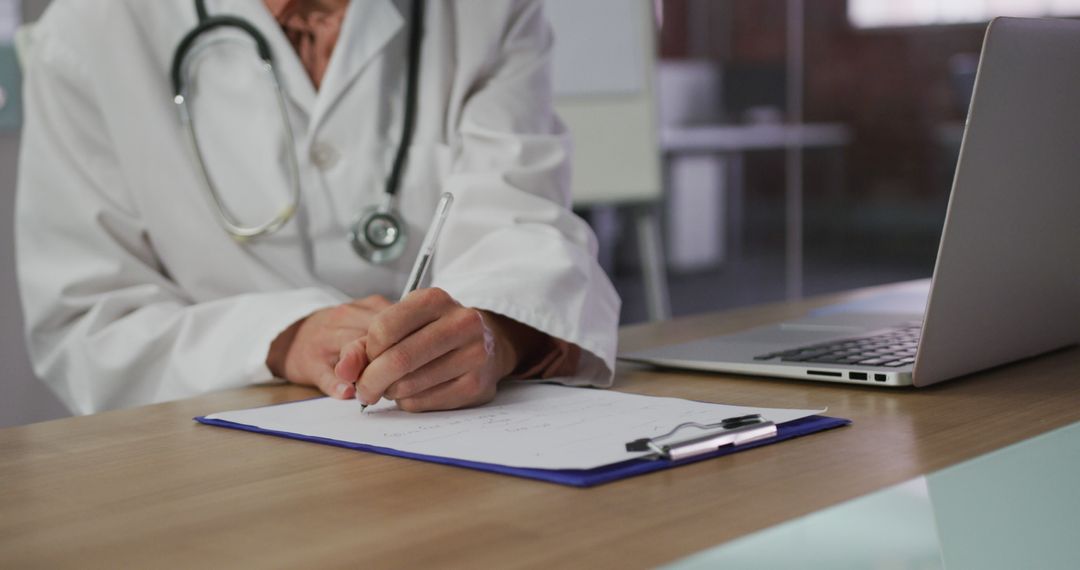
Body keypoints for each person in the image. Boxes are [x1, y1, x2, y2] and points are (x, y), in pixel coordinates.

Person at [15, 0, 619, 415]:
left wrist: (491, 333)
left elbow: (522, 224)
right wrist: (278, 340)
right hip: (220, 470)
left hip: (453, 440)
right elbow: (87, 318)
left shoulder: (485, 12)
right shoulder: (90, 29)